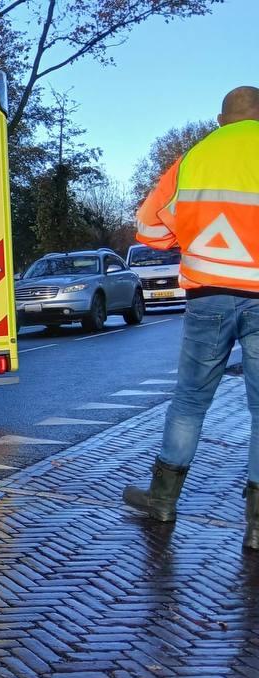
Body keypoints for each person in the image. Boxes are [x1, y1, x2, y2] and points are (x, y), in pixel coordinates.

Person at [122, 86, 259, 550]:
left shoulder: (193, 159)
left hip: (207, 300)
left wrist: (194, 234)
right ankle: (258, 526)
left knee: (190, 401)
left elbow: (148, 228)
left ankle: (162, 501)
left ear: (223, 120)